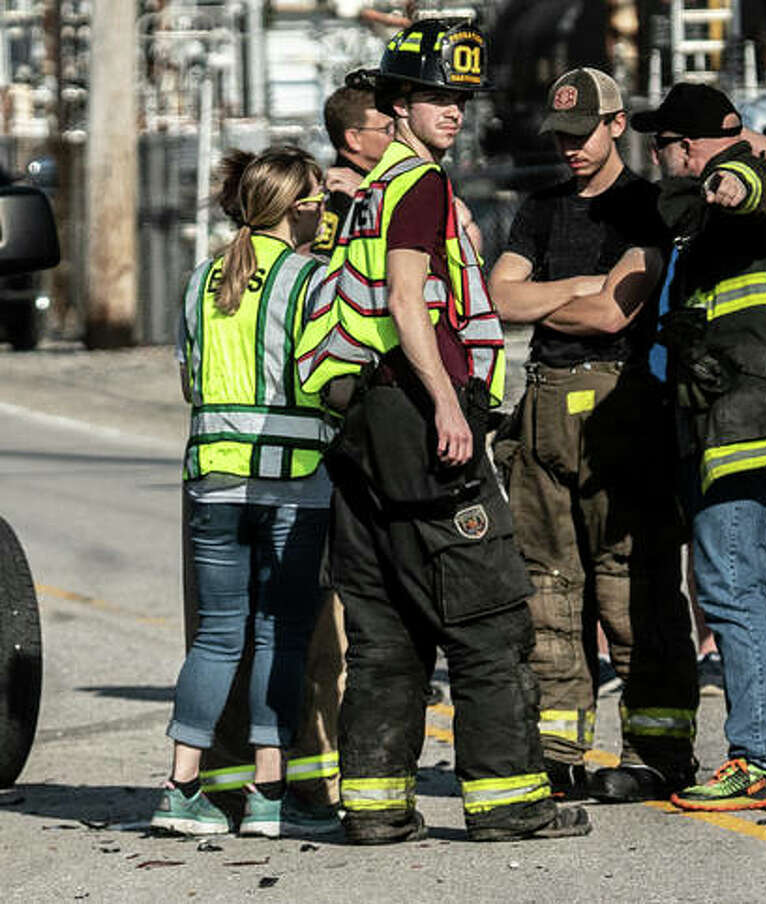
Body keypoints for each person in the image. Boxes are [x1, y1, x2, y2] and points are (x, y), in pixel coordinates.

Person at [294, 19, 590, 844]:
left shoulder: (362, 191)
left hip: (359, 426)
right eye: (433, 97)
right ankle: (511, 802)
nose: (451, 111)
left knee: (387, 621)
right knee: (490, 613)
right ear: (396, 104)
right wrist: (449, 404)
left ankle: (377, 806)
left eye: (459, 98)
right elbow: (404, 299)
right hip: (417, 418)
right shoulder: (417, 186)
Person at [488, 67, 699, 804]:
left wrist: (551, 299)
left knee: (630, 584)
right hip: (543, 405)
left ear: (617, 126)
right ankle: (558, 750)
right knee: (548, 588)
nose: (571, 149)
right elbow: (497, 296)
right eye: (561, 137)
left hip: (623, 407)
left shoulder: (647, 207)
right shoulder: (539, 210)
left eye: (583, 135)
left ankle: (659, 749)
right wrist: (581, 290)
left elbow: (617, 315)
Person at [630, 82, 766, 811]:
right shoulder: (707, 212)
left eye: (664, 144)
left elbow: (761, 186)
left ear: (689, 145)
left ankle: (762, 757)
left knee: (732, 589)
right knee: (757, 593)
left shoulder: (735, 186)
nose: (656, 156)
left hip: (738, 426)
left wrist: (728, 177)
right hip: (737, 420)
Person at [152, 146, 340, 838]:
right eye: (319, 199)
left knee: (216, 637)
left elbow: (189, 382)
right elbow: (330, 381)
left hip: (211, 481)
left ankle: (180, 788)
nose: (325, 211)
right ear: (297, 209)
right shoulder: (310, 280)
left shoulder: (202, 280)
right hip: (294, 484)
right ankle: (268, 797)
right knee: (280, 637)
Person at [309, 79, 396, 261]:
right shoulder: (340, 196)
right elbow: (325, 266)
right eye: (388, 129)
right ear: (353, 138)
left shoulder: (376, 184)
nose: (396, 136)